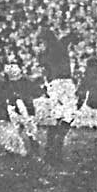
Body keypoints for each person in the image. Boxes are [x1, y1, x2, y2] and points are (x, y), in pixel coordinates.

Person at [36, 25, 78, 165]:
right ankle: (57, 147)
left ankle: (50, 151)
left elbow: (44, 72)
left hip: (55, 85)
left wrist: (47, 88)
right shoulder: (61, 43)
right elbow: (73, 36)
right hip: (66, 83)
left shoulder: (43, 54)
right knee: (68, 117)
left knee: (56, 118)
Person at [5, 63, 44, 153]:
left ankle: (13, 149)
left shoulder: (9, 83)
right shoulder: (26, 80)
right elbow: (37, 92)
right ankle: (31, 144)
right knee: (27, 128)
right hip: (23, 106)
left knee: (17, 128)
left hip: (17, 106)